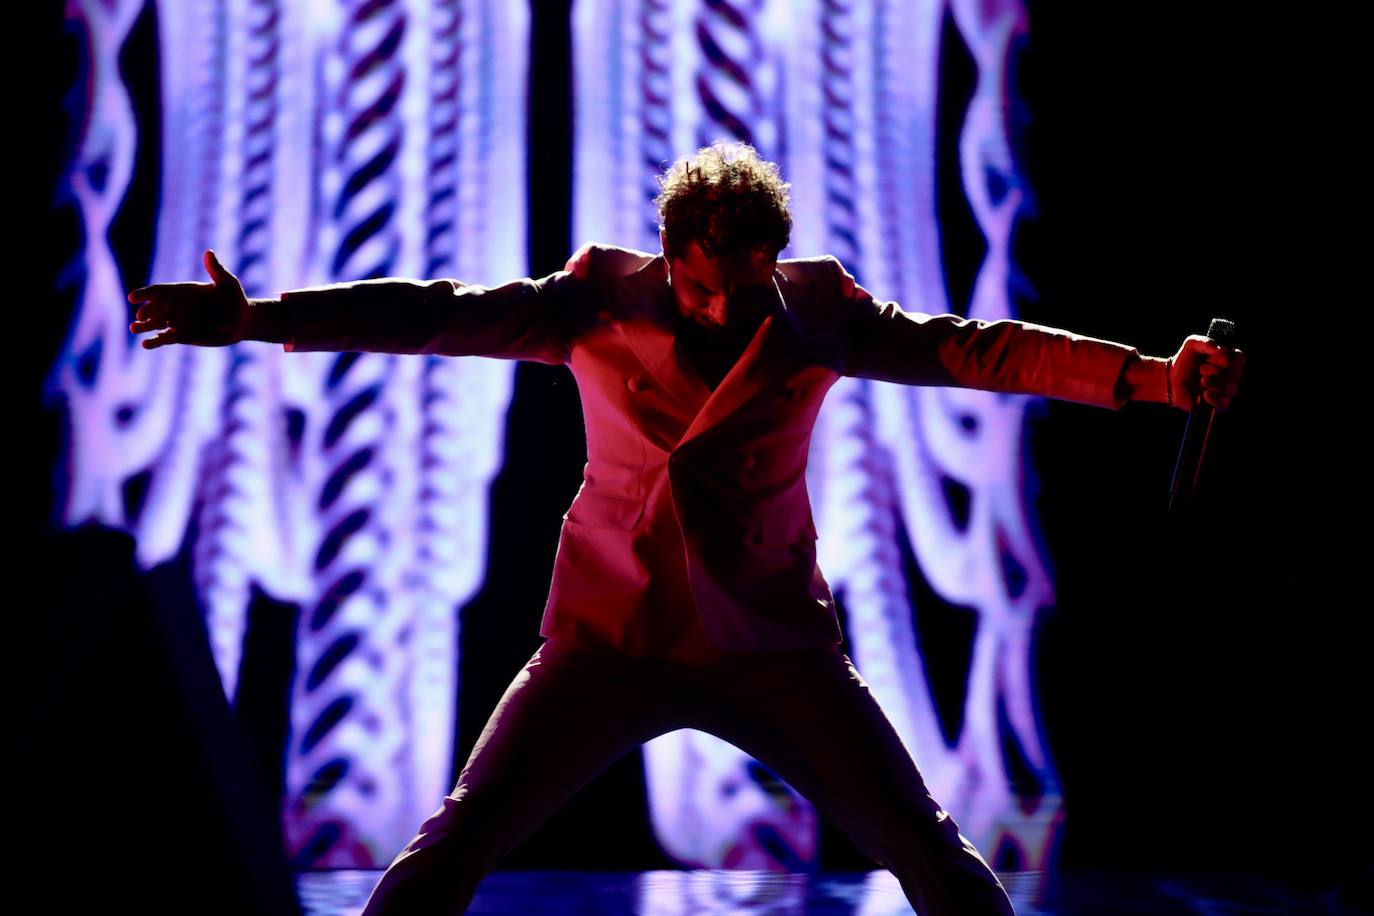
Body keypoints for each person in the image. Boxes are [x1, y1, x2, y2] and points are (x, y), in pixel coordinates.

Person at [128, 140, 1243, 915]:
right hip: (605, 650)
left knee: (933, 857)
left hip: (774, 656)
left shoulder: (814, 316)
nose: (722, 306)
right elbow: (434, 312)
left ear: (773, 258)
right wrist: (259, 317)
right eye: (703, 285)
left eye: (744, 282)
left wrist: (1149, 380)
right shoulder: (597, 302)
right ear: (670, 259)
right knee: (450, 849)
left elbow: (974, 347)